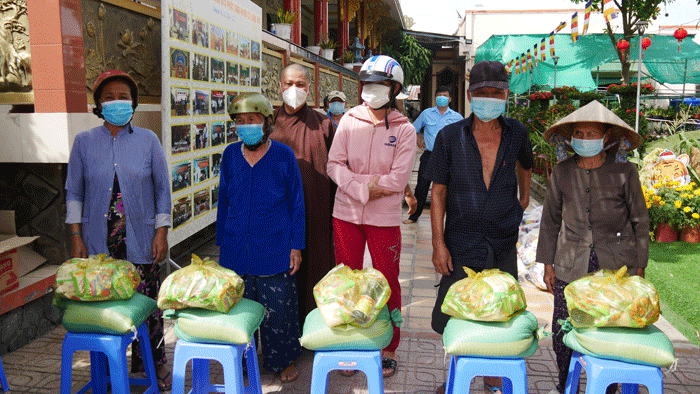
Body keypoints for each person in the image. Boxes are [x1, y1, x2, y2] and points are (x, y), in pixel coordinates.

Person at [427, 61, 534, 394]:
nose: (490, 99)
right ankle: (461, 374)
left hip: (502, 240)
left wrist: (522, 202)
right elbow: (438, 191)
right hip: (460, 241)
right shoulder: (449, 136)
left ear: (506, 95)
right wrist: (438, 244)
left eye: (497, 93)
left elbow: (526, 169)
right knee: (456, 313)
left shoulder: (517, 132)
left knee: (500, 311)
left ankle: (492, 376)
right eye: (483, 93)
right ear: (471, 95)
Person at [65, 70, 172, 391]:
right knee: (105, 305)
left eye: (122, 96)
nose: (116, 102)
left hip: (142, 239)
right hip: (98, 243)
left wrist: (161, 232)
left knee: (148, 305)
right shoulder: (84, 143)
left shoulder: (148, 141)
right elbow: (73, 191)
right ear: (98, 104)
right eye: (108, 97)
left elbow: (163, 190)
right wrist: (75, 236)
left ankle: (152, 365)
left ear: (133, 103)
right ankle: (109, 366)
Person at [536, 101, 648, 394]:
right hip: (570, 260)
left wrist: (640, 266)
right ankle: (565, 385)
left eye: (592, 133)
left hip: (614, 264)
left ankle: (606, 387)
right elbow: (550, 220)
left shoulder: (625, 172)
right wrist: (547, 263)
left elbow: (640, 222)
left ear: (607, 137)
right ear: (571, 138)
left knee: (607, 329)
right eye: (580, 133)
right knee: (563, 329)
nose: (585, 139)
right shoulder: (562, 172)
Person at [327, 55, 416, 378]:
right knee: (347, 281)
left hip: (385, 219)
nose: (372, 89)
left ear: (393, 89)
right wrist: (364, 187)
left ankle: (389, 346)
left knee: (387, 281)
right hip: (345, 214)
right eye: (368, 83)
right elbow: (334, 164)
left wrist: (358, 183)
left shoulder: (404, 130)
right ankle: (349, 343)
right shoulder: (349, 120)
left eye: (379, 84)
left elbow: (397, 178)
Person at [217, 92, 305, 383]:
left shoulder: (283, 155)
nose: (246, 126)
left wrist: (296, 245)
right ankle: (242, 360)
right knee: (240, 308)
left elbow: (296, 202)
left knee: (277, 310)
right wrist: (222, 244)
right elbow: (225, 201)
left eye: (252, 120)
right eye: (240, 122)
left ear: (267, 122)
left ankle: (281, 360)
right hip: (237, 247)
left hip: (275, 245)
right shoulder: (230, 155)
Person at [270, 63, 337, 323]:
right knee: (282, 273)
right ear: (280, 86)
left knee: (317, 269)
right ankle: (285, 331)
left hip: (317, 213)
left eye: (300, 84)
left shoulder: (324, 124)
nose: (294, 89)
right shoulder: (269, 123)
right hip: (279, 216)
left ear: (309, 89)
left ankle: (315, 327)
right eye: (289, 84)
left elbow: (339, 168)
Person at [403, 86, 463, 224]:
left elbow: (463, 135)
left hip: (448, 158)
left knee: (448, 188)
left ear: (450, 99)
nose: (442, 97)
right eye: (439, 95)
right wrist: (419, 141)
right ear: (435, 97)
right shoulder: (427, 113)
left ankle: (452, 218)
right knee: (422, 186)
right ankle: (413, 216)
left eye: (445, 95)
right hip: (429, 156)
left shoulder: (456, 117)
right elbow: (415, 129)